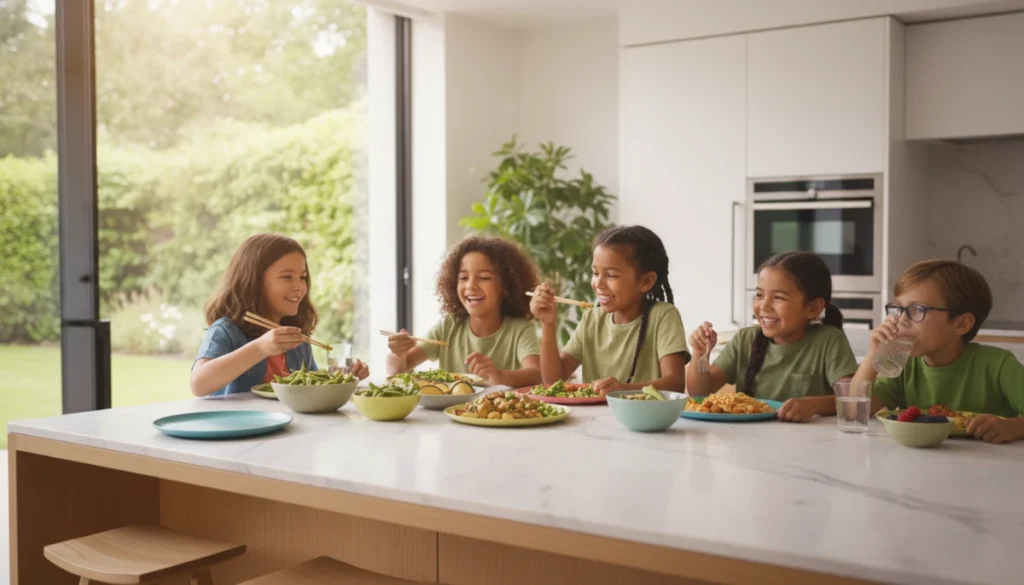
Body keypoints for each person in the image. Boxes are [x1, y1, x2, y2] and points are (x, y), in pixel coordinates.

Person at [855, 259, 1024, 443]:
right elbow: (855, 410)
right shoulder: (902, 363)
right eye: (899, 309)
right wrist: (873, 355)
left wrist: (1013, 427)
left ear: (961, 324)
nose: (901, 320)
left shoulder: (998, 365)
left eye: (917, 310)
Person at [190, 233, 368, 397]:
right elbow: (198, 384)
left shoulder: (297, 337)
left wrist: (341, 378)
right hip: (239, 428)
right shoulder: (226, 330)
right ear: (254, 280)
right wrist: (260, 348)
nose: (299, 286)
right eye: (287, 277)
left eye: (302, 277)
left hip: (289, 428)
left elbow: (311, 386)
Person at [688, 251, 857, 422]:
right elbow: (699, 393)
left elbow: (853, 399)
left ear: (813, 307)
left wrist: (813, 405)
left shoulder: (829, 341)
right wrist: (700, 355)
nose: (764, 306)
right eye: (759, 295)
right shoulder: (745, 340)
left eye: (778, 297)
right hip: (750, 440)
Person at [531, 225, 688, 394]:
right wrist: (547, 324)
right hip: (593, 419)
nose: (598, 283)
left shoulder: (663, 316)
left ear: (646, 281)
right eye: (595, 272)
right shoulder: (591, 319)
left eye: (611, 275)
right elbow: (553, 380)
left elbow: (675, 382)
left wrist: (624, 390)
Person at [386, 236, 542, 387]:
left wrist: (499, 375)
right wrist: (398, 354)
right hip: (449, 411)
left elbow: (536, 373)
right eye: (463, 278)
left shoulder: (520, 329)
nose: (471, 285)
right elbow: (397, 370)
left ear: (506, 287)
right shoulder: (448, 326)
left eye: (484, 278)